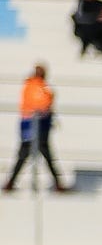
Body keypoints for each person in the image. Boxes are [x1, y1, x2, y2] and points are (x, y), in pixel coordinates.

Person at [5, 65, 66, 194]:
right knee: (30, 154)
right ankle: (11, 182)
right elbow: (41, 104)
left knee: (34, 154)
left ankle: (11, 182)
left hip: (34, 125)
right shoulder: (36, 87)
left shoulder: (35, 86)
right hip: (34, 126)